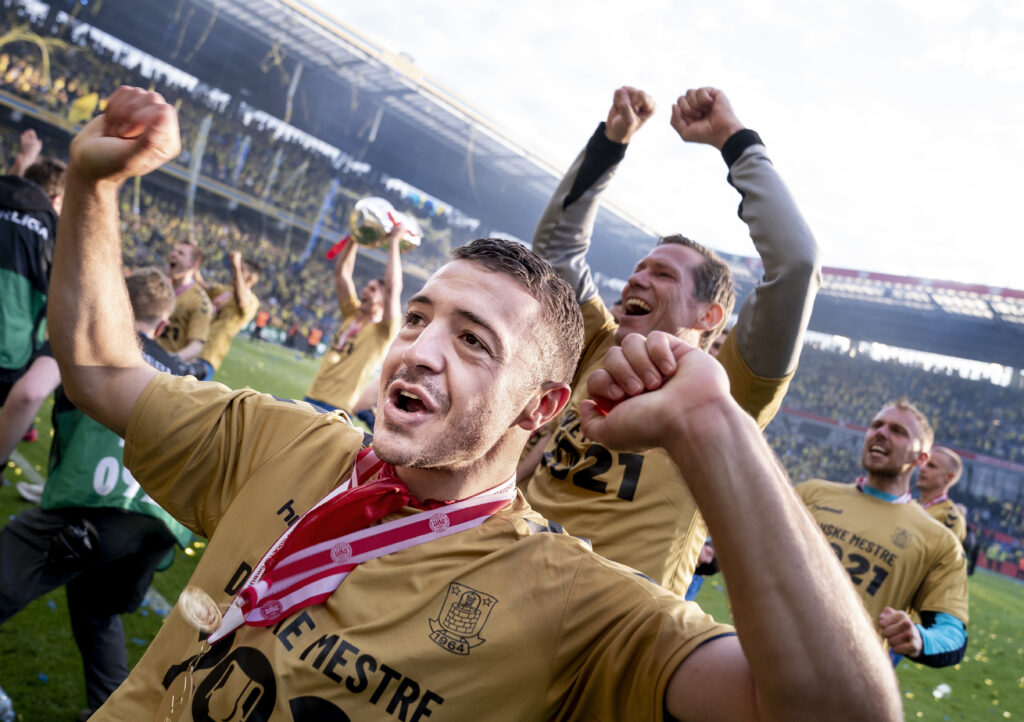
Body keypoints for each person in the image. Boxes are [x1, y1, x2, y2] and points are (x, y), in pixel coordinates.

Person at [47, 86, 899, 721]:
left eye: (472, 340)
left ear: (541, 403)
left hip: (579, 608)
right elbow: (100, 368)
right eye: (418, 319)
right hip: (470, 534)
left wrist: (710, 422)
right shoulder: (298, 444)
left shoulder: (728, 388)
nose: (415, 347)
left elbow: (795, 268)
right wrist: (94, 185)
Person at [525, 85, 821, 595]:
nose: (637, 279)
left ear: (710, 314)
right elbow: (557, 249)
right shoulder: (597, 341)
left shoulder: (730, 388)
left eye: (663, 275)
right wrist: (611, 142)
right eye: (639, 269)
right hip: (507, 578)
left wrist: (734, 140)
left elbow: (796, 265)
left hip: (613, 628)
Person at [0, 267, 196, 719]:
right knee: (96, 610)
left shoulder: (89, 337)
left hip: (93, 503)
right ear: (163, 325)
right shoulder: (185, 373)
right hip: (157, 527)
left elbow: (30, 393)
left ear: (116, 306)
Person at [795, 399, 970, 668]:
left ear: (921, 459)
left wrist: (921, 639)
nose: (881, 433)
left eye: (898, 431)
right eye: (876, 425)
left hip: (845, 684)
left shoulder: (940, 541)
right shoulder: (812, 493)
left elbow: (952, 633)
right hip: (763, 657)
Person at [1, 131, 65, 499]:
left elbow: (14, 186)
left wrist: (25, 158)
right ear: (57, 200)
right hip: (8, 351)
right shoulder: (54, 230)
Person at [304, 228, 402, 415]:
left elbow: (392, 289)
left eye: (372, 290)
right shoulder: (352, 313)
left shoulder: (383, 331)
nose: (364, 291)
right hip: (312, 394)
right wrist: (355, 238)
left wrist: (394, 242)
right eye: (366, 287)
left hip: (338, 406)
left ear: (383, 302)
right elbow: (342, 273)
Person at [196, 250, 260, 380]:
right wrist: (195, 260)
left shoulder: (252, 300)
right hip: (192, 344)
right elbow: (199, 284)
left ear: (250, 278)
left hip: (208, 355)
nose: (235, 271)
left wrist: (236, 264)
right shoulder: (224, 290)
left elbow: (242, 301)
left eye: (242, 270)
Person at [157, 241, 212, 368]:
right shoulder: (158, 287)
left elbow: (196, 346)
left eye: (181, 253)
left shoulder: (200, 301)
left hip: (166, 369)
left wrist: (169, 360)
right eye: (174, 251)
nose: (173, 254)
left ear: (193, 265)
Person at [916, 445, 967, 542]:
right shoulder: (908, 504)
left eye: (931, 466)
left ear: (949, 477)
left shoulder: (950, 517)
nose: (922, 468)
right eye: (923, 463)